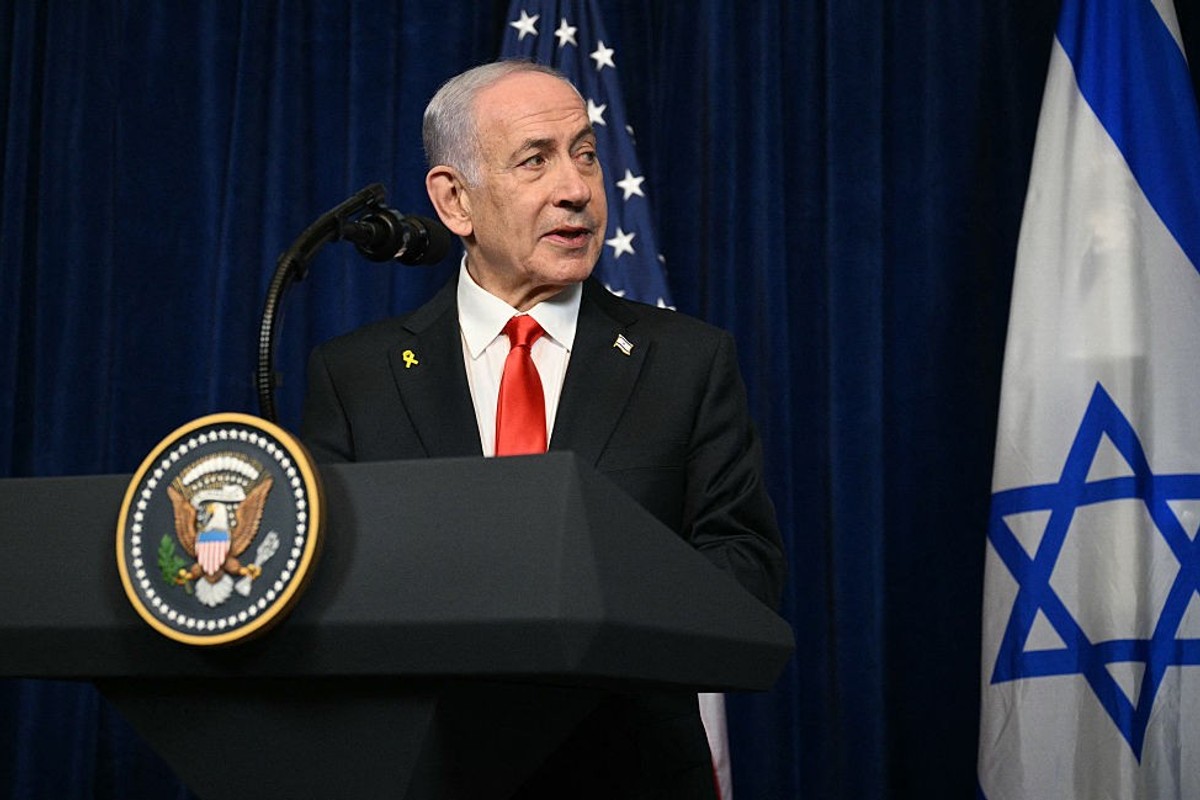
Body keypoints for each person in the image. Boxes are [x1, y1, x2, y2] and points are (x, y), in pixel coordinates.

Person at [301, 60, 785, 799]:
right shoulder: (356, 376)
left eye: (585, 155)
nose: (578, 188)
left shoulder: (688, 361)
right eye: (536, 159)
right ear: (454, 200)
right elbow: (324, 589)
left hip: (629, 775)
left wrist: (588, 599)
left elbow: (746, 566)